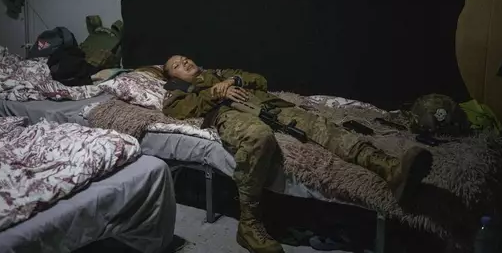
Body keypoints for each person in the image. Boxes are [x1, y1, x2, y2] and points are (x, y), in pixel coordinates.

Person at [162, 55, 433, 253]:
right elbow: (177, 111)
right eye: (177, 65)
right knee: (258, 138)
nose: (184, 62)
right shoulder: (177, 91)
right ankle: (249, 223)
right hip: (229, 113)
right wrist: (213, 92)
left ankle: (389, 169)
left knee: (321, 126)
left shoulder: (221, 70)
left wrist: (234, 80)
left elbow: (261, 80)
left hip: (269, 107)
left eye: (185, 58)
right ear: (173, 76)